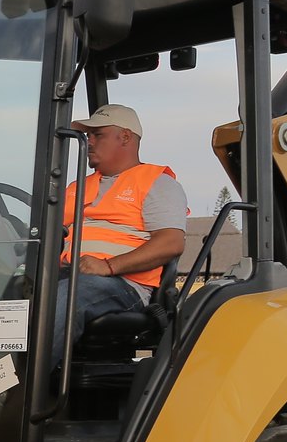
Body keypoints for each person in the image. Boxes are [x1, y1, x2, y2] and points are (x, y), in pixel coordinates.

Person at [53, 104, 187, 341]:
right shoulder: (76, 188)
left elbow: (170, 243)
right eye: (87, 135)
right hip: (68, 275)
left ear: (125, 136)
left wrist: (109, 266)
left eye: (98, 134)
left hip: (122, 283)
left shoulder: (157, 183)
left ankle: (16, 377)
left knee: (63, 299)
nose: (89, 141)